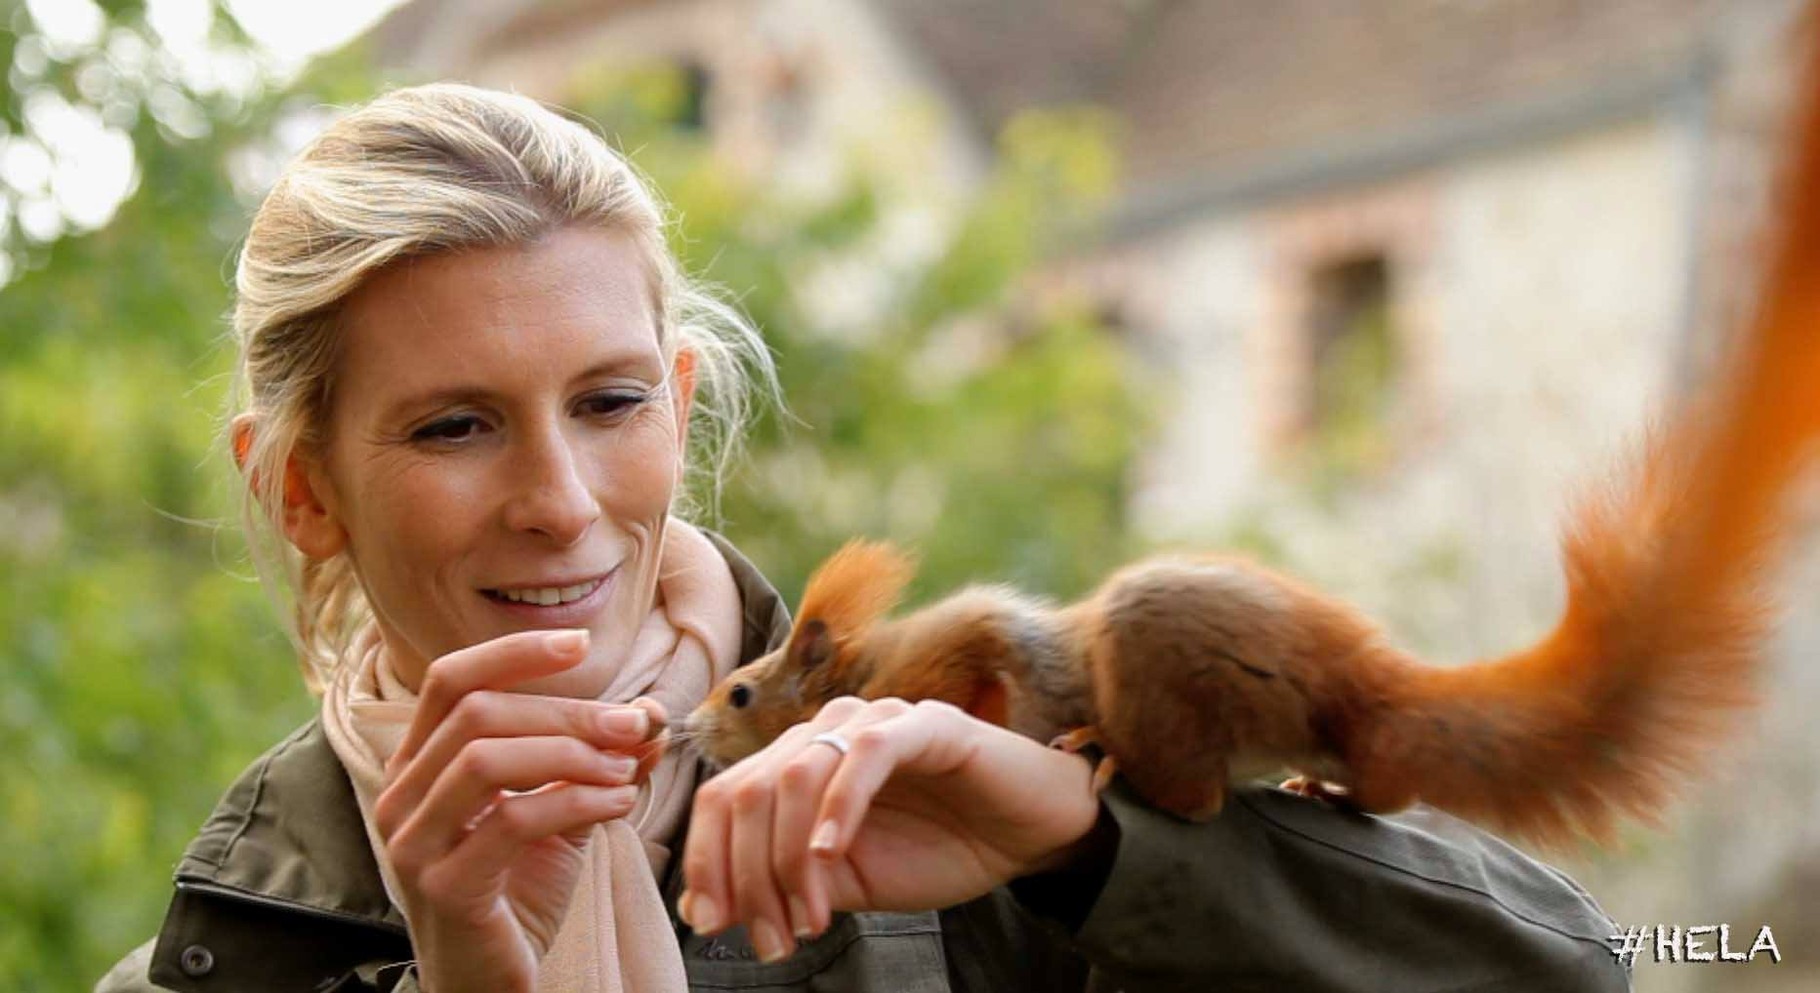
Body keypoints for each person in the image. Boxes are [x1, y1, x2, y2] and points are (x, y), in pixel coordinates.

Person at [96, 83, 1629, 993]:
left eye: (612, 400)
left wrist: (1098, 850)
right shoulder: (227, 960)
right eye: (453, 425)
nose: (561, 498)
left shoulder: (926, 805)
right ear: (303, 487)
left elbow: (1573, 969)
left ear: (681, 407)